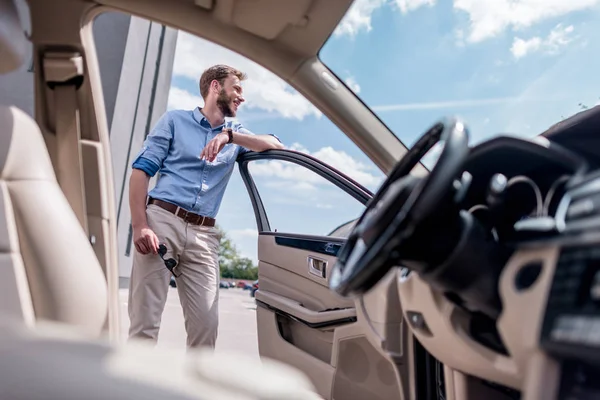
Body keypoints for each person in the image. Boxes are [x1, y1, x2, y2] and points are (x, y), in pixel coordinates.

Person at [127, 64, 283, 349]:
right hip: (162, 221)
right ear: (215, 87)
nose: (241, 97)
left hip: (204, 235)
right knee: (144, 326)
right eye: (236, 88)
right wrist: (140, 225)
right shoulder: (174, 121)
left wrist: (229, 137)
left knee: (206, 328)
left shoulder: (235, 132)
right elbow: (141, 172)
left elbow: (274, 144)